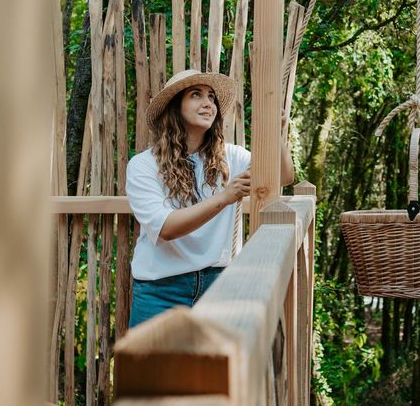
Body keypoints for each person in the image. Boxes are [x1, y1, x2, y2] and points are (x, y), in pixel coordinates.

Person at [126, 68, 294, 328]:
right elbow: (167, 228)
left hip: (219, 286)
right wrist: (225, 197)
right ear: (175, 107)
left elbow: (283, 176)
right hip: (161, 291)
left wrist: (277, 134)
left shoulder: (231, 157)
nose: (208, 103)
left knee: (212, 369)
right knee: (153, 370)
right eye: (196, 95)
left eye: (211, 97)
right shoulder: (143, 165)